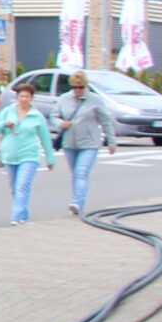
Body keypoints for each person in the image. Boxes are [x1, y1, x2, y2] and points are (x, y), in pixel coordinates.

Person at [0, 80, 58, 225]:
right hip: (10, 155)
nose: (24, 99)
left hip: (29, 155)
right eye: (21, 96)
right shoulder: (8, 111)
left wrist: (50, 158)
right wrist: (5, 124)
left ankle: (16, 216)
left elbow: (45, 138)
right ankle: (22, 211)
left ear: (31, 98)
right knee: (14, 187)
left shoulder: (37, 116)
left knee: (22, 185)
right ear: (17, 97)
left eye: (27, 96)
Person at [55, 70, 115, 216]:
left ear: (85, 86)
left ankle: (77, 202)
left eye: (80, 87)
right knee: (75, 174)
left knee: (81, 172)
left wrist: (111, 141)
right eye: (75, 87)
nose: (77, 90)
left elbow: (105, 120)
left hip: (89, 143)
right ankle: (78, 203)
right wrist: (61, 123)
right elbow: (53, 116)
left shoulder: (95, 100)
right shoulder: (64, 99)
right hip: (69, 143)